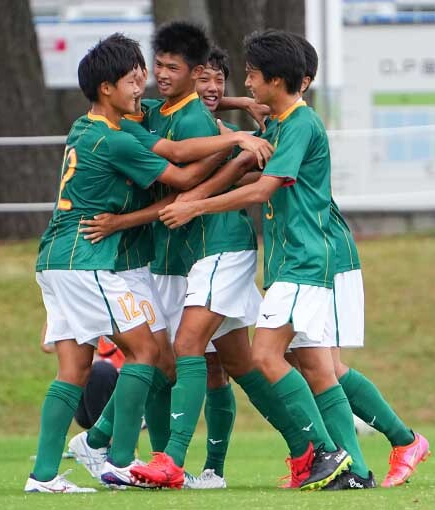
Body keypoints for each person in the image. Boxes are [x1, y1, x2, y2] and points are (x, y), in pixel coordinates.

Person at [136, 28, 353, 491]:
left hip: (260, 251)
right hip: (250, 257)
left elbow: (252, 184)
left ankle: (169, 459)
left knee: (209, 348)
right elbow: (200, 156)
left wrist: (192, 201)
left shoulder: (291, 124)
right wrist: (236, 125)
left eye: (232, 79)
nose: (221, 88)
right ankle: (310, 453)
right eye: (161, 68)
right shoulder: (185, 117)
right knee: (247, 363)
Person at [25, 34, 231, 493]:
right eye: (132, 81)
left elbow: (168, 145)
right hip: (87, 259)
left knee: (75, 370)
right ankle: (118, 460)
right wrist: (232, 143)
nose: (142, 88)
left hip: (59, 257)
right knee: (147, 353)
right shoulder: (111, 139)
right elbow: (179, 173)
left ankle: (43, 474)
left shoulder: (87, 127)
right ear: (106, 88)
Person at [291, 34, 431, 489]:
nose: (247, 82)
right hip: (309, 256)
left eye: (253, 74)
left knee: (316, 364)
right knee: (311, 361)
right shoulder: (281, 120)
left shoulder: (301, 123)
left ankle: (356, 465)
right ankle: (397, 443)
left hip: (325, 257)